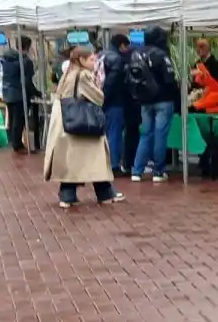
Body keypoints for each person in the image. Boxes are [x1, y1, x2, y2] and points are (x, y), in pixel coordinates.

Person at [43, 47, 125, 209]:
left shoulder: (67, 74)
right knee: (97, 159)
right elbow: (98, 97)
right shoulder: (83, 76)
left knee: (71, 163)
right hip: (85, 124)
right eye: (91, 60)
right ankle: (105, 193)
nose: (94, 64)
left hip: (66, 124)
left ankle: (68, 195)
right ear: (81, 60)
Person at [129, 26, 179, 183]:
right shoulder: (161, 54)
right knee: (160, 135)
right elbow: (169, 78)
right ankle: (158, 171)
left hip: (145, 101)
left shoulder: (136, 53)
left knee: (145, 134)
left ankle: (137, 171)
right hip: (163, 99)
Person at [0, 36, 41, 153]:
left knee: (12, 119)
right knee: (19, 120)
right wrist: (37, 93)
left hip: (7, 92)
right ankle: (17, 145)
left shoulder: (7, 58)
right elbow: (27, 82)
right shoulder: (26, 61)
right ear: (28, 47)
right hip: (19, 94)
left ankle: (14, 143)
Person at [100, 34, 131, 173]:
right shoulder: (118, 59)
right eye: (126, 46)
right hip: (114, 101)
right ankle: (113, 165)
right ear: (121, 45)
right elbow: (112, 82)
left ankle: (103, 162)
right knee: (115, 134)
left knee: (104, 134)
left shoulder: (100, 55)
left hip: (100, 101)